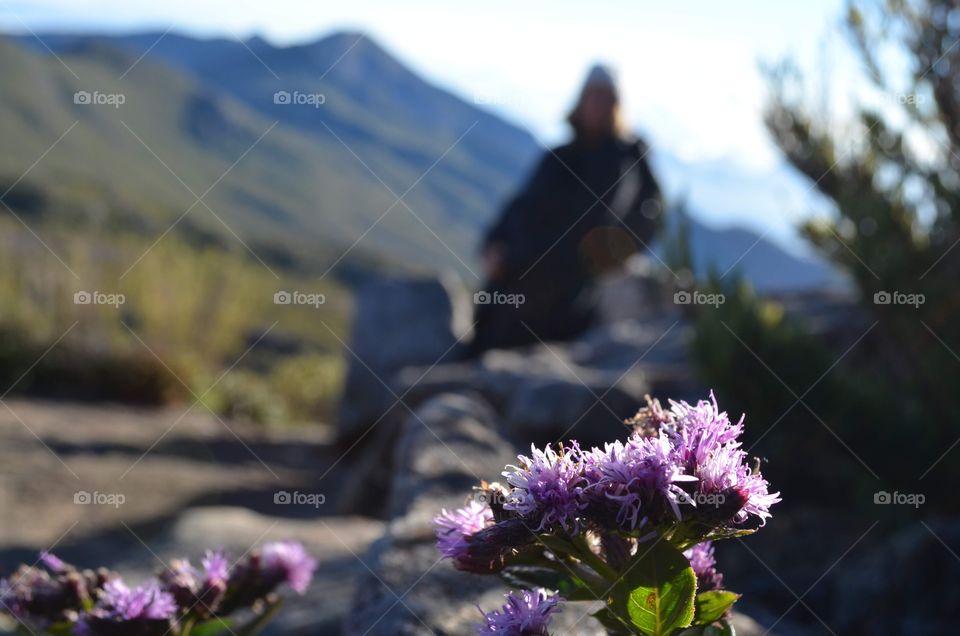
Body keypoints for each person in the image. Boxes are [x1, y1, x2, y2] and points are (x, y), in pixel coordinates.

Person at [466, 64, 663, 355]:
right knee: (490, 327)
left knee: (506, 336)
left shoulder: (619, 163)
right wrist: (495, 243)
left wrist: (519, 256)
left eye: (605, 98)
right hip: (521, 269)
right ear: (580, 100)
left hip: (565, 288)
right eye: (591, 96)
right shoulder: (560, 156)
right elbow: (522, 203)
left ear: (616, 107)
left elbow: (592, 224)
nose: (596, 105)